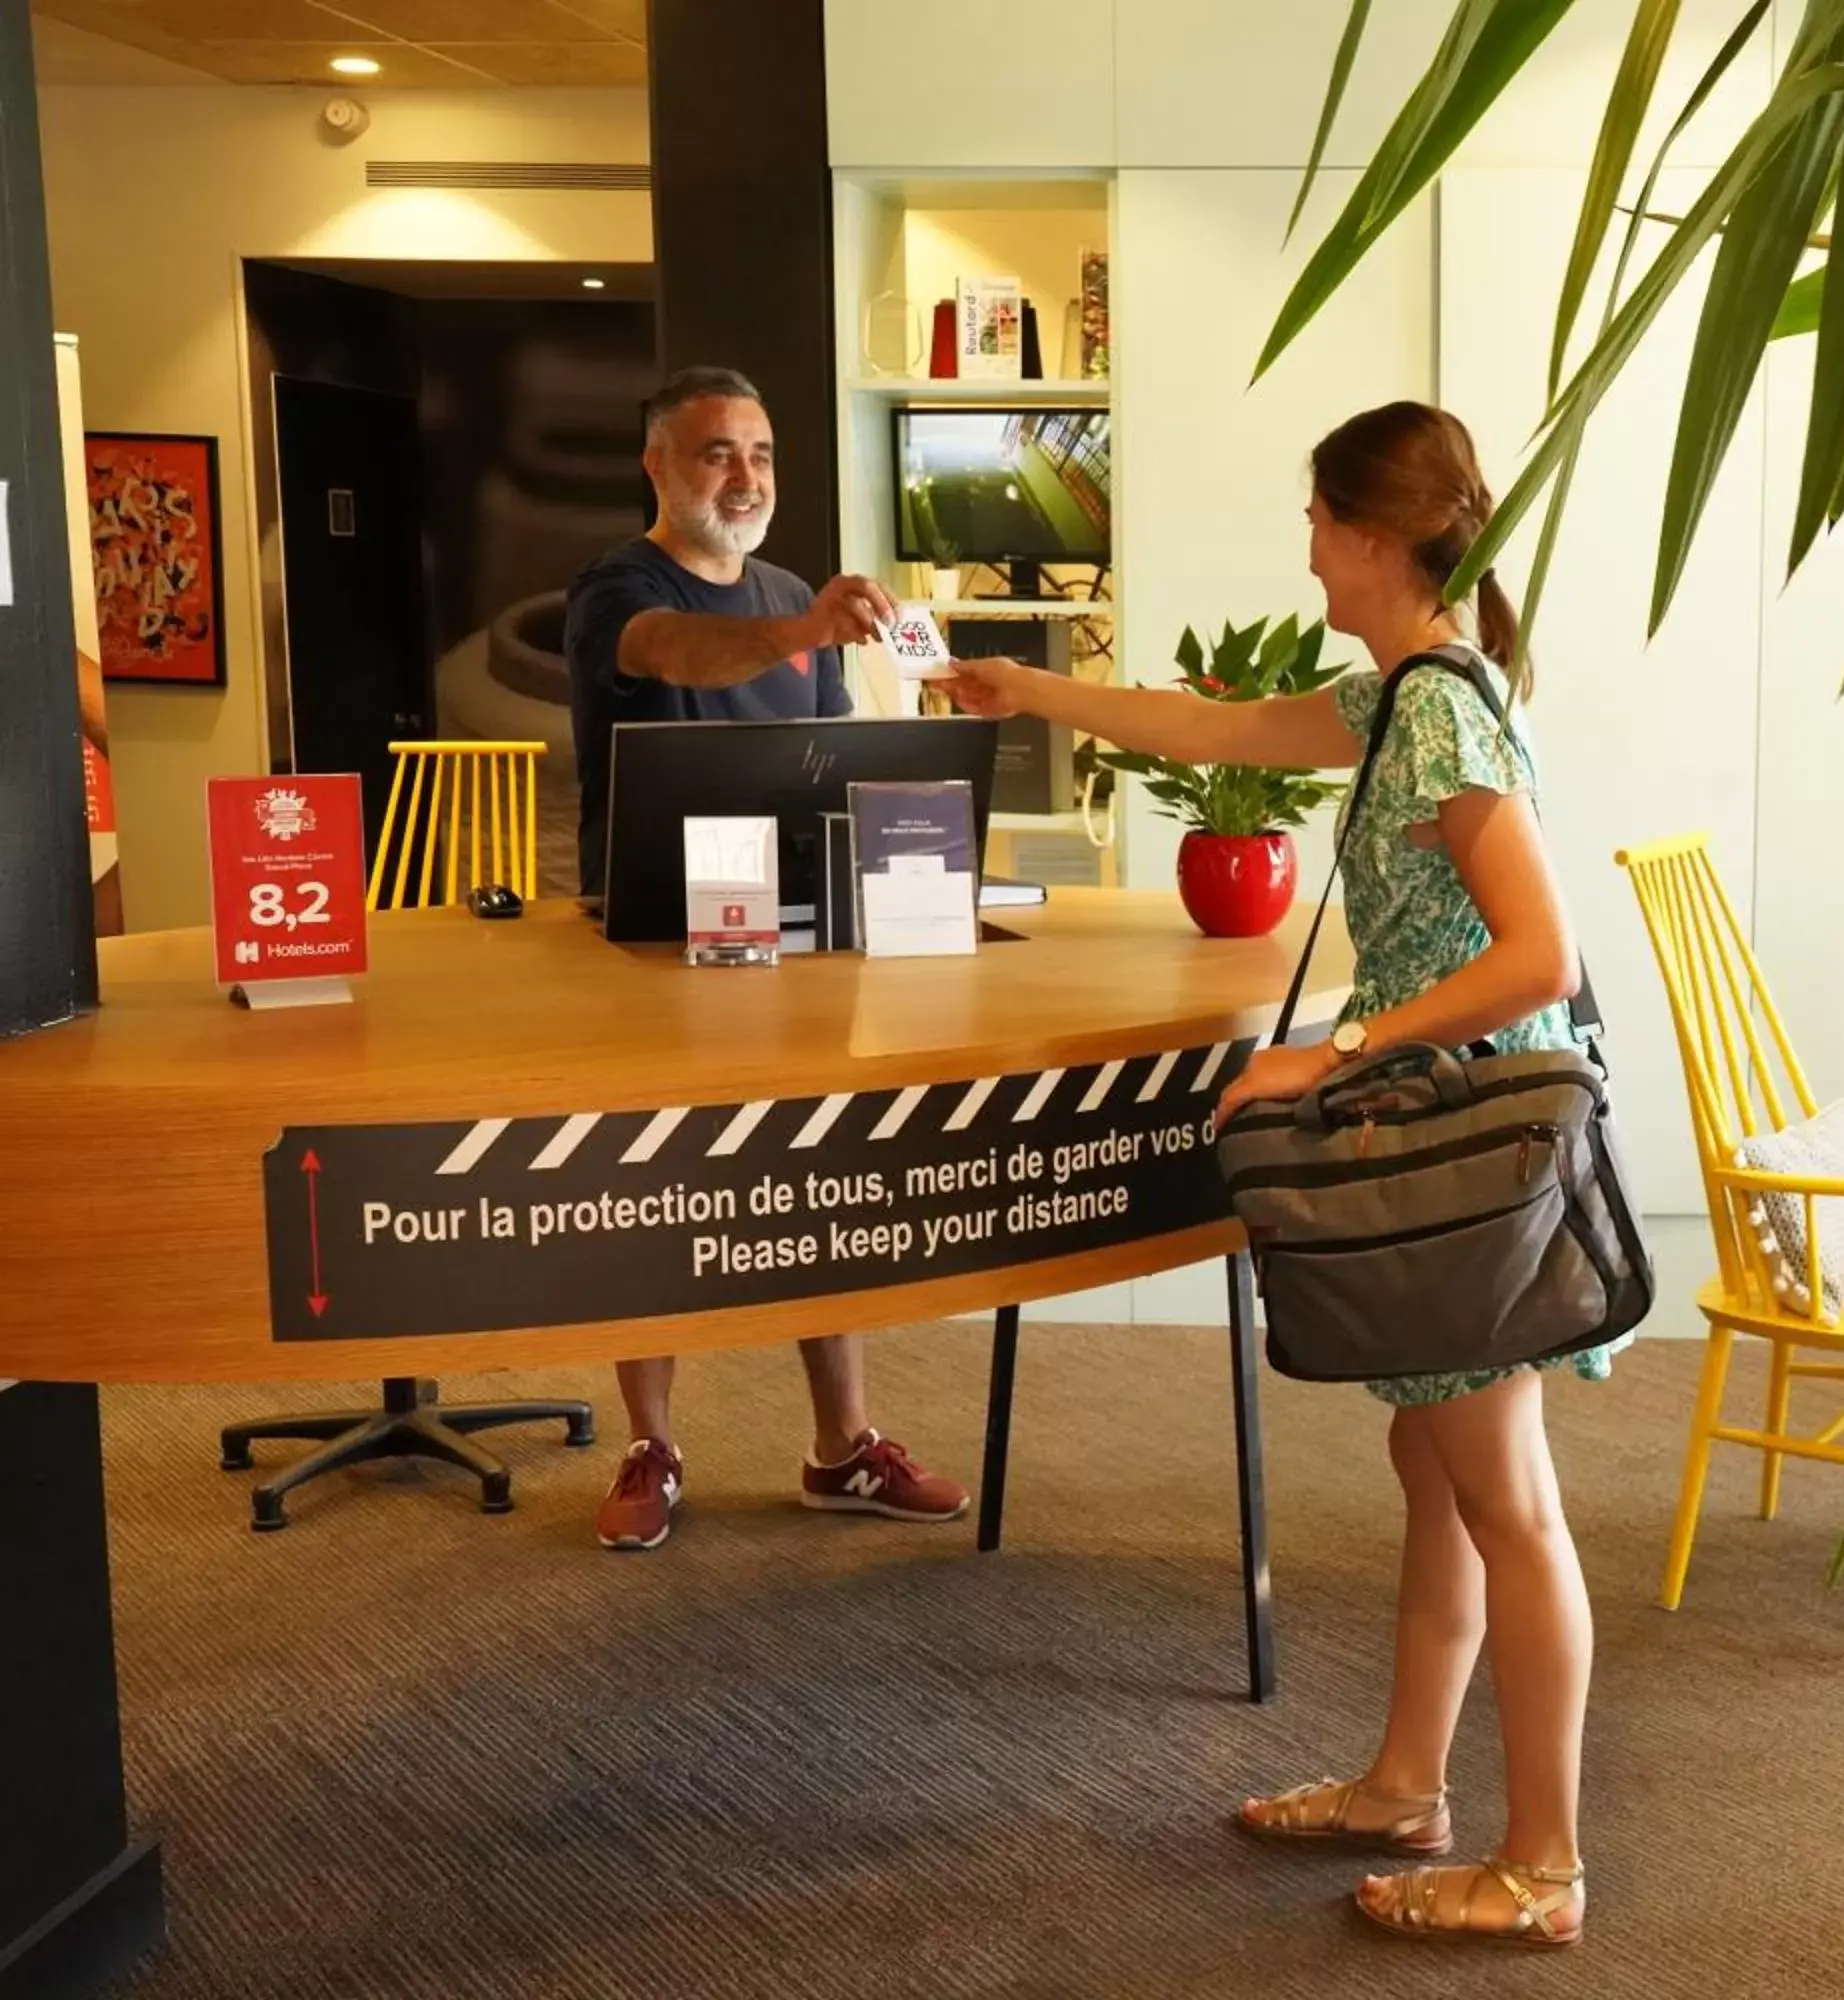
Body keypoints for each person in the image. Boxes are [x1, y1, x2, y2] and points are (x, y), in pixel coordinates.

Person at [946, 401, 1612, 1948]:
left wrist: (1344, 1042)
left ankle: (1547, 1866)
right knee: (1438, 1478)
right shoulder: (1399, 695)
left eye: (1318, 517)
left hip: (1457, 1151)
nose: (1303, 542)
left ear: (1376, 536)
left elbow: (1539, 952)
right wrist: (1024, 683)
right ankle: (1404, 1783)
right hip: (1441, 1148)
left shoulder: (1436, 710)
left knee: (1506, 1500)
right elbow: (1220, 732)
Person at [561, 365, 969, 1552]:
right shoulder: (617, 587)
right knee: (649, 1188)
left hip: (790, 932)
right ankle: (652, 1443)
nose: (745, 477)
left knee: (822, 1174)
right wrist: (795, 631)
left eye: (762, 453)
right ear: (658, 464)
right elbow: (683, 654)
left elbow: (827, 756)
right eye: (715, 454)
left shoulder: (795, 590)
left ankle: (843, 1447)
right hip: (652, 941)